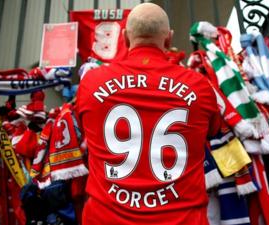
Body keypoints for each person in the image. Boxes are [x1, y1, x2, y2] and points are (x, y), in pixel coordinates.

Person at [76, 3, 222, 225]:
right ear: (169, 39)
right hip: (182, 219)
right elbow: (213, 131)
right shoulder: (199, 87)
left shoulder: (90, 84)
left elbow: (85, 127)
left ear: (124, 38)